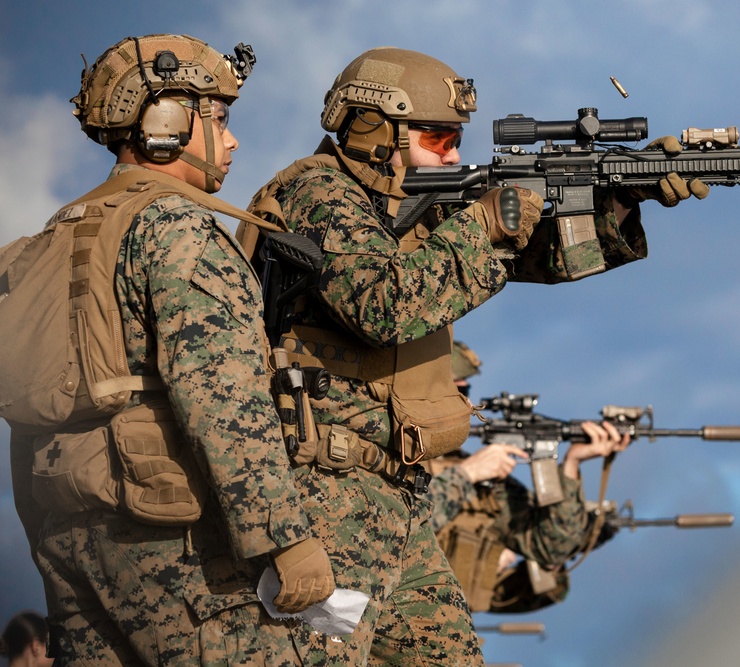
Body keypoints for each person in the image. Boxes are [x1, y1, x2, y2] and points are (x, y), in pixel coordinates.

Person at [244, 46, 704, 665]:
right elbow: (386, 303)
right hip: (325, 494)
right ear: (376, 129)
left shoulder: (407, 207)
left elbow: (540, 255)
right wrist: (488, 220)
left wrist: (624, 192)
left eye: (458, 138)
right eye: (438, 138)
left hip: (395, 491)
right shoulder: (316, 193)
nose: (455, 156)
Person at [4, 34, 333, 665]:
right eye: (219, 118)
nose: (232, 140)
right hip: (173, 544)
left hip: (64, 538)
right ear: (166, 124)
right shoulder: (175, 228)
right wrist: (284, 539)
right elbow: (222, 398)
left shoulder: (51, 238)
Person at [426, 341, 629, 613]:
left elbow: (550, 548)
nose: (469, 404)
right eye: (459, 391)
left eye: (468, 392)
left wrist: (571, 463)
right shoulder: (377, 453)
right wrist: (466, 475)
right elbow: (394, 529)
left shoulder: (477, 478)